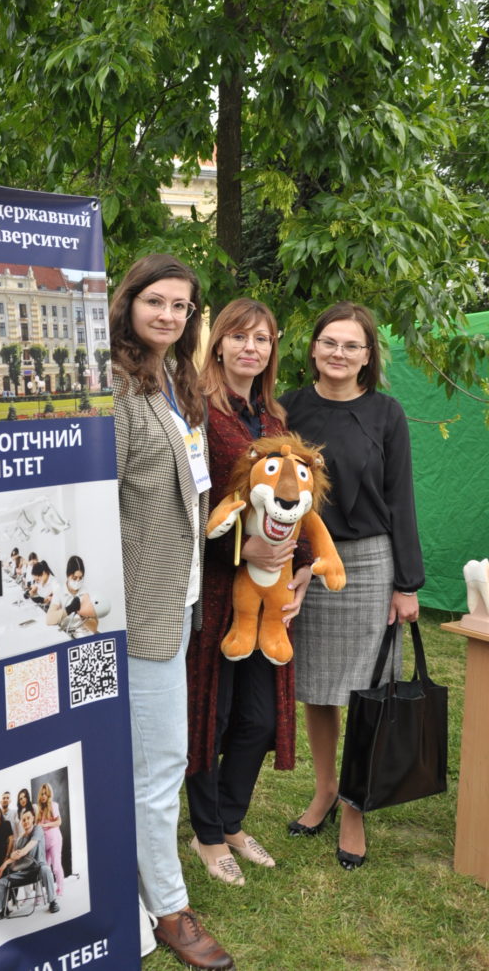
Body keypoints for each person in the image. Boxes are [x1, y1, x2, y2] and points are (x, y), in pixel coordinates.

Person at [110, 253, 234, 970]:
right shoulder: (120, 387)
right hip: (139, 605)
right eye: (156, 301)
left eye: (181, 306)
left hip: (180, 595)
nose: (168, 314)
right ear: (128, 302)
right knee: (161, 765)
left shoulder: (175, 382)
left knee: (146, 760)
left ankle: (133, 889)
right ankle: (168, 908)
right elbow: (102, 501)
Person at [281, 301, 423, 871]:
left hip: (368, 564)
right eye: (330, 342)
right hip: (306, 562)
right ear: (314, 347)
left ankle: (353, 807)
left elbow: (401, 499)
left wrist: (407, 584)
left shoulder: (386, 414)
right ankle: (323, 791)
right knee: (317, 687)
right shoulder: (287, 408)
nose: (338, 353)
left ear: (367, 357)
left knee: (366, 694)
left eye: (352, 345)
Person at [185, 299, 314, 886]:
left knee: (258, 719)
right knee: (210, 716)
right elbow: (190, 508)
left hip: (270, 597)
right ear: (218, 343)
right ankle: (208, 835)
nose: (251, 348)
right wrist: (241, 551)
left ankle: (231, 820)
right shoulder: (198, 412)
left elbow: (298, 504)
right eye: (239, 336)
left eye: (262, 339)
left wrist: (303, 568)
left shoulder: (276, 422)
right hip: (217, 591)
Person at [0, 808, 59, 920]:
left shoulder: (38, 829)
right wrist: (4, 864)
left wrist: (16, 854)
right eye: (23, 819)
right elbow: (14, 859)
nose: (26, 821)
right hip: (26, 872)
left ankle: (53, 902)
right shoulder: (20, 840)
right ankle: (0, 910)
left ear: (33, 819)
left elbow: (27, 848)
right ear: (21, 822)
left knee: (46, 869)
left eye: (28, 818)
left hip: (39, 867)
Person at [46, 555, 109, 636]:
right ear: (68, 575)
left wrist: (82, 613)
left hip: (84, 634)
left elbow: (94, 628)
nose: (77, 581)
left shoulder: (87, 594)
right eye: (74, 578)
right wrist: (69, 609)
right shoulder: (59, 592)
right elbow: (49, 620)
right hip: (65, 633)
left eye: (80, 578)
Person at [36, 782, 64, 897]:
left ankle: (60, 889)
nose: (43, 796)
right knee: (45, 869)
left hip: (54, 840)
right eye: (42, 794)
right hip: (44, 843)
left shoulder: (53, 805)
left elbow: (59, 822)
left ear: (49, 795)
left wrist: (46, 825)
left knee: (56, 867)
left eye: (45, 794)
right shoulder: (39, 809)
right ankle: (50, 892)